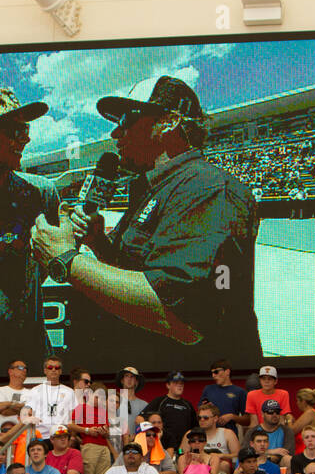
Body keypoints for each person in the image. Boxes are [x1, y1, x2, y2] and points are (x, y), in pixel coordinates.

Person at [30, 75, 259, 362]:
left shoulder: (206, 188)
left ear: (168, 122)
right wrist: (99, 243)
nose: (116, 134)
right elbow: (137, 270)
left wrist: (65, 259)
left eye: (126, 120)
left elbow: (182, 316)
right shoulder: (158, 186)